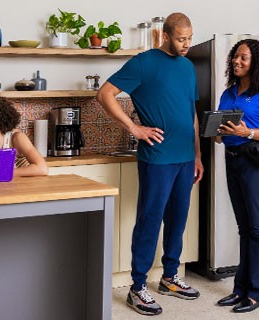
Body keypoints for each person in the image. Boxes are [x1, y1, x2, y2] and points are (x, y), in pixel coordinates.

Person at [96, 12, 203, 316]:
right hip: (157, 158)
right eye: (181, 38)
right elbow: (104, 94)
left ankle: (169, 277)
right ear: (165, 36)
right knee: (150, 220)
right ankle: (137, 286)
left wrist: (197, 155)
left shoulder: (188, 67)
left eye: (190, 38)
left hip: (184, 158)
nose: (186, 44)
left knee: (178, 219)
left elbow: (191, 114)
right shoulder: (143, 62)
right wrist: (134, 128)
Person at [214, 39, 259, 313]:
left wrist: (249, 132)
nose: (237, 61)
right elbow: (222, 136)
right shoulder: (229, 93)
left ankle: (258, 293)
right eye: (235, 57)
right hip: (232, 161)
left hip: (256, 163)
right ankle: (240, 289)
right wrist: (218, 134)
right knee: (244, 228)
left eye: (243, 58)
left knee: (258, 228)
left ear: (256, 63)